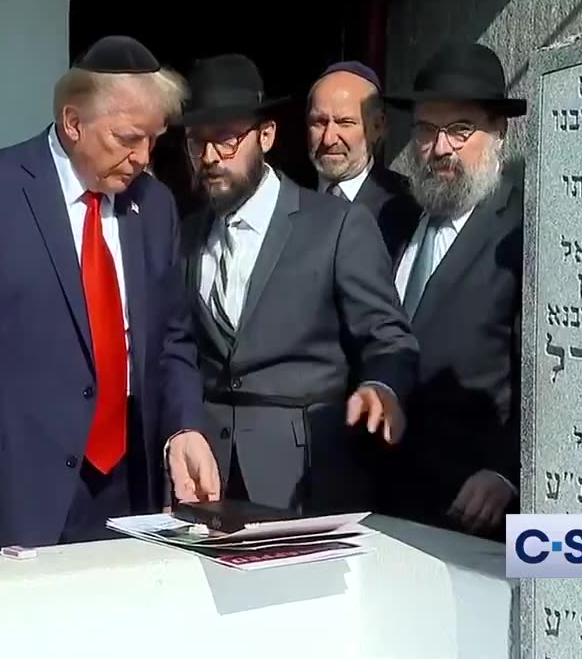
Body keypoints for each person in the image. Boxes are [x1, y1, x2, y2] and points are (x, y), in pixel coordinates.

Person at [0, 36, 220, 556]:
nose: (142, 158)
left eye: (153, 141)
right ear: (74, 124)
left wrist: (184, 428)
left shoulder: (155, 207)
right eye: (127, 138)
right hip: (5, 491)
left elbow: (172, 338)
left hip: (124, 490)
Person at [178, 54, 418, 513]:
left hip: (306, 482)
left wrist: (383, 387)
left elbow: (387, 336)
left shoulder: (338, 225)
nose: (209, 158)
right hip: (209, 481)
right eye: (196, 143)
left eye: (225, 141)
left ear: (265, 135)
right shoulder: (188, 234)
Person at [383, 42, 524, 539]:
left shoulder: (522, 232)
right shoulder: (397, 220)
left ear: (498, 131)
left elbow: (549, 375)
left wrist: (507, 470)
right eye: (426, 129)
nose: (441, 148)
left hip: (473, 511)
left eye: (461, 129)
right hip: (388, 502)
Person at [307, 61, 419, 257]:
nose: (329, 138)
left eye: (345, 123)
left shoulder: (407, 206)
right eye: (319, 122)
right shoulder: (285, 196)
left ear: (377, 127)